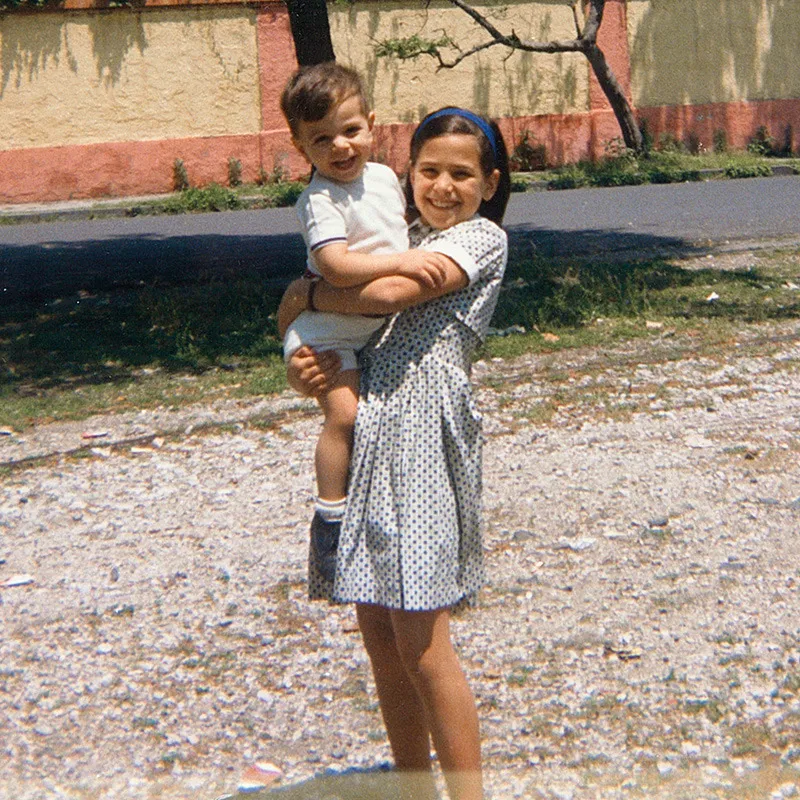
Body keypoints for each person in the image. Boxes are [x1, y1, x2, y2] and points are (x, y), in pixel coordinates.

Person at [278, 106, 511, 800]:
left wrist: (305, 290)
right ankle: (415, 787)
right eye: (429, 170)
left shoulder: (480, 241)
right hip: (365, 434)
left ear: (490, 183)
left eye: (462, 174)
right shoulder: (397, 231)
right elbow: (315, 330)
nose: (443, 187)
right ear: (407, 172)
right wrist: (301, 360)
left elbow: (380, 291)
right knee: (379, 636)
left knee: (424, 642)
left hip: (422, 446)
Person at [279, 63, 451, 581]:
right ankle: (330, 518)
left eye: (351, 131)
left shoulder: (381, 179)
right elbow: (335, 266)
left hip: (365, 330)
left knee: (375, 426)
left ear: (372, 124)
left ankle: (373, 522)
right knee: (345, 418)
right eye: (321, 139)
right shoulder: (318, 200)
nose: (341, 147)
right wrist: (399, 263)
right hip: (324, 334)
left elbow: (398, 230)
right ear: (300, 147)